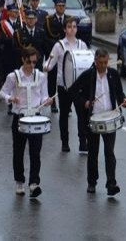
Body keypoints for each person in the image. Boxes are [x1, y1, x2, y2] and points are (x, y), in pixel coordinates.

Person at [68, 49, 126, 196]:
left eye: (106, 62)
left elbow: (120, 94)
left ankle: (111, 183)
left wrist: (124, 101)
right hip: (94, 119)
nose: (103, 66)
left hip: (110, 118)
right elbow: (72, 91)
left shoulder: (113, 75)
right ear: (95, 61)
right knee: (93, 152)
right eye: (100, 63)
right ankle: (92, 182)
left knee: (109, 152)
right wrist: (84, 103)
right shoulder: (88, 75)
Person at [0, 47, 54, 197]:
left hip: (36, 118)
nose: (32, 65)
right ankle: (19, 181)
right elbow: (2, 92)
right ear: (22, 60)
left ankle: (34, 184)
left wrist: (47, 101)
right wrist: (11, 99)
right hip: (19, 117)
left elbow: (44, 96)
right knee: (18, 151)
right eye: (29, 62)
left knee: (35, 153)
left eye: (34, 62)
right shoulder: (13, 76)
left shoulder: (41, 77)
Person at [44, 17, 89, 153]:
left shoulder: (82, 45)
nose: (72, 29)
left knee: (82, 115)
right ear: (64, 29)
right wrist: (46, 66)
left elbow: (87, 64)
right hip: (64, 86)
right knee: (63, 115)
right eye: (69, 27)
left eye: (74, 27)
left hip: (79, 87)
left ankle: (83, 142)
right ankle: (65, 142)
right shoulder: (59, 46)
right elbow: (49, 64)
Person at [43, 0, 68, 113]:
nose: (61, 8)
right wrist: (53, 48)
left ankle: (67, 102)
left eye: (63, 6)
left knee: (66, 78)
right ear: (55, 6)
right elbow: (46, 38)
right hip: (53, 52)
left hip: (66, 55)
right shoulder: (49, 20)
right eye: (59, 6)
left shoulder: (69, 20)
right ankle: (53, 101)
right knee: (52, 78)